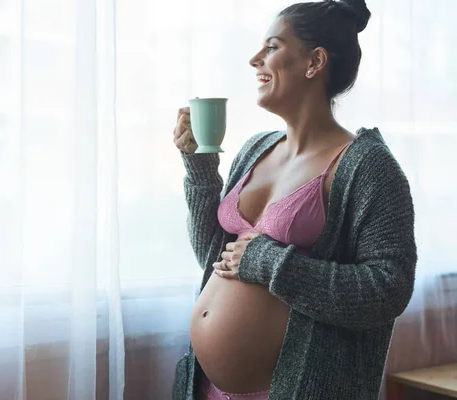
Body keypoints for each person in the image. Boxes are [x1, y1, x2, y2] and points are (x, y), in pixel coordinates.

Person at [171, 0, 417, 399]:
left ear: (314, 62)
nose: (255, 60)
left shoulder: (368, 166)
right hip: (205, 388)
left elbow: (388, 288)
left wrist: (271, 263)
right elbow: (215, 258)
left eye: (271, 47)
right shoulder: (256, 149)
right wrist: (200, 167)